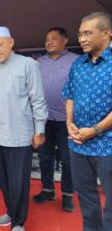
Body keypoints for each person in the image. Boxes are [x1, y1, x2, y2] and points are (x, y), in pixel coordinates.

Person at [0, 26, 48, 231]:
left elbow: (38, 100)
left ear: (11, 42)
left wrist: (39, 130)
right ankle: (11, 211)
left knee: (19, 179)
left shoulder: (28, 65)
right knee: (4, 178)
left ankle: (19, 221)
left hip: (20, 133)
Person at [62, 12, 112, 231]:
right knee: (86, 196)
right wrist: (69, 123)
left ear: (106, 33)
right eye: (80, 34)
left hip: (108, 145)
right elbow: (70, 94)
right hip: (78, 144)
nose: (81, 39)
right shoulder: (78, 63)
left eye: (88, 33)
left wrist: (94, 130)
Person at [33, 27, 78, 212]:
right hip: (43, 119)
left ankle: (68, 195)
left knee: (67, 159)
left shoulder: (76, 61)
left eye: (53, 38)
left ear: (64, 41)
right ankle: (48, 190)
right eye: (46, 39)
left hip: (66, 119)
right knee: (45, 156)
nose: (49, 42)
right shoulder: (39, 62)